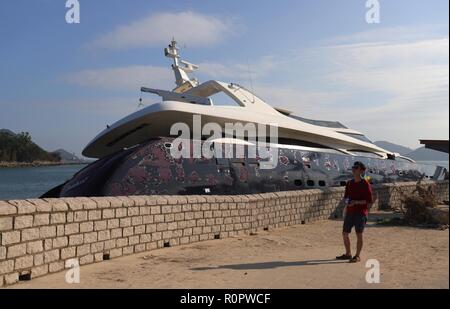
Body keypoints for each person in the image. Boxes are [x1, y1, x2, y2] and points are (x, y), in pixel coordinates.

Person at [336, 161, 373, 263]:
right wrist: (348, 203)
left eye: (356, 167)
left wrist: (355, 202)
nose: (353, 169)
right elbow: (346, 198)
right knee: (344, 233)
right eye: (353, 167)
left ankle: (357, 256)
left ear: (361, 170)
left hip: (360, 213)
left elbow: (369, 201)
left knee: (359, 234)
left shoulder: (365, 184)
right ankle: (348, 254)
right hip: (350, 212)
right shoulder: (349, 183)